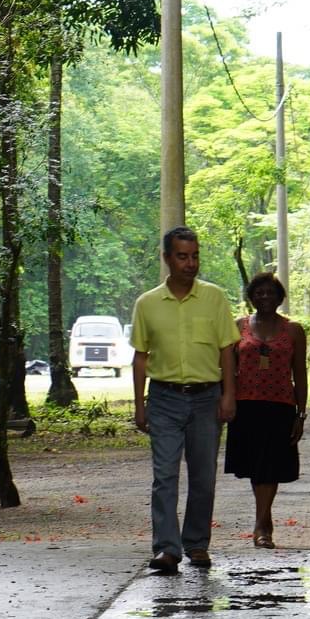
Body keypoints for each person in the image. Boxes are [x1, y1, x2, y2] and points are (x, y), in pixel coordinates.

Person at [130, 226, 239, 574]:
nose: (190, 263)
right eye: (182, 256)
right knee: (164, 476)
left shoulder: (214, 298)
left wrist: (228, 395)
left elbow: (227, 350)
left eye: (194, 256)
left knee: (203, 475)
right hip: (163, 397)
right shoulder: (147, 303)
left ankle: (196, 544)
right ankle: (167, 548)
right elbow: (140, 357)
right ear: (166, 258)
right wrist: (139, 405)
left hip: (207, 397)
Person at [222, 270, 307, 548]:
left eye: (271, 292)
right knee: (256, 465)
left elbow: (300, 374)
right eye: (259, 292)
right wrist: (227, 399)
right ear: (251, 297)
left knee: (271, 465)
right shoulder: (239, 326)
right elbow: (228, 368)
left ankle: (262, 523)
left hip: (280, 405)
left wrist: (301, 413)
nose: (265, 296)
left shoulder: (293, 330)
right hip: (246, 404)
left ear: (280, 297)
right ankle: (264, 520)